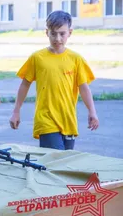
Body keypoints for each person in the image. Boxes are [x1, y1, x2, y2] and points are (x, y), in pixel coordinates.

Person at [9, 10, 99, 150]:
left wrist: (92, 112)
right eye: (53, 33)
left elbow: (84, 87)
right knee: (55, 160)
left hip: (68, 121)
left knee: (64, 165)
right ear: (47, 32)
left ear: (70, 32)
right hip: (46, 121)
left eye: (62, 34)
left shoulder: (76, 59)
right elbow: (24, 85)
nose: (57, 38)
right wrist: (16, 111)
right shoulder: (37, 58)